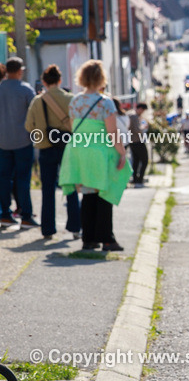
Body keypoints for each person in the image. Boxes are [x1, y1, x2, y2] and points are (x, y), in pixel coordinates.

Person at [58, 60, 130, 251]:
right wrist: (121, 153)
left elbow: (73, 127)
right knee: (104, 194)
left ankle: (88, 239)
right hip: (100, 151)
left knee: (88, 195)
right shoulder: (105, 102)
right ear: (101, 78)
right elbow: (112, 131)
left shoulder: (75, 101)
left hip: (80, 150)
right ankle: (107, 238)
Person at [23, 64, 80, 238]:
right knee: (70, 186)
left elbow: (29, 126)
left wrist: (40, 138)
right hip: (67, 148)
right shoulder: (71, 99)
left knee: (47, 189)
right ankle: (75, 228)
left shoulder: (38, 101)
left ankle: (48, 230)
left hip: (46, 149)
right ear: (60, 80)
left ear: (44, 82)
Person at [0, 57, 37, 228]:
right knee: (23, 178)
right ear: (20, 70)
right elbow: (35, 114)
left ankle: (5, 214)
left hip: (2, 141)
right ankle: (26, 215)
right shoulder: (26, 90)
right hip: (23, 140)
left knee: (3, 178)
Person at [127, 102, 150, 187]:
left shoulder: (131, 115)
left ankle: (136, 179)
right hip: (137, 141)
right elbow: (137, 129)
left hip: (132, 141)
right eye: (143, 110)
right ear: (140, 109)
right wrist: (144, 128)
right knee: (144, 160)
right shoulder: (134, 116)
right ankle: (139, 180)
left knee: (136, 161)